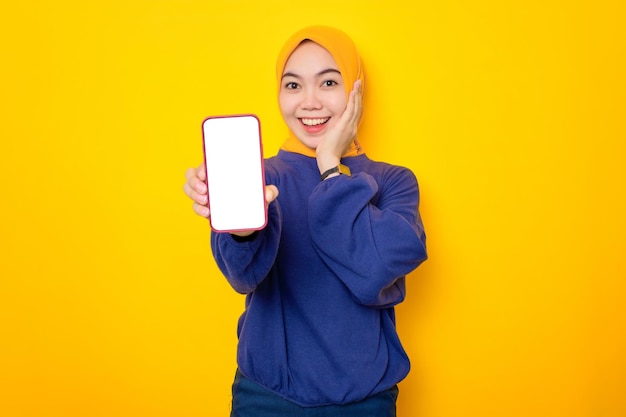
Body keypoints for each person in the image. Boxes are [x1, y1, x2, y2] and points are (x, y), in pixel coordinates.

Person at [183, 25, 427, 417]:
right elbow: (242, 277)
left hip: (367, 401)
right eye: (293, 86)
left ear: (356, 90)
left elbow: (375, 271)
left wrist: (331, 167)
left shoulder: (394, 181)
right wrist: (244, 230)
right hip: (266, 399)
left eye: (328, 82)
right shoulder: (258, 177)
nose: (309, 102)